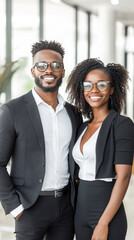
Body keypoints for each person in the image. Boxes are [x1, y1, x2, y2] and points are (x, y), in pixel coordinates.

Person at [0, 40, 82, 240]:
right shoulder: (13, 111)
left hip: (65, 207)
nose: (49, 70)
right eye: (42, 65)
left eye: (55, 65)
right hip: (29, 207)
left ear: (63, 71)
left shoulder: (73, 113)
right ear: (33, 71)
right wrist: (15, 207)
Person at [66, 58, 134, 240]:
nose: (94, 90)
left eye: (101, 85)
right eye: (88, 85)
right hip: (81, 212)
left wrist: (103, 223)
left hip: (106, 212)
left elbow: (124, 176)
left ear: (111, 89)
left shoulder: (122, 124)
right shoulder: (83, 127)